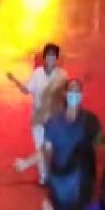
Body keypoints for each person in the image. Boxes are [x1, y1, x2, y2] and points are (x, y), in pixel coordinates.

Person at [15, 78, 105, 210]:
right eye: (71, 91)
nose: (74, 95)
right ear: (65, 95)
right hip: (60, 180)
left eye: (78, 91)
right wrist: (26, 163)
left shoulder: (90, 121)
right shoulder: (53, 124)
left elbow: (101, 144)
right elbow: (46, 150)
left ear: (82, 95)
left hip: (83, 179)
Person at [6, 42, 67, 185]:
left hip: (54, 118)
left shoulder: (62, 76)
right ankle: (44, 177)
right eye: (48, 56)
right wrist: (14, 80)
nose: (51, 59)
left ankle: (48, 173)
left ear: (57, 59)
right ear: (44, 57)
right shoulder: (37, 74)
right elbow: (27, 90)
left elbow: (66, 95)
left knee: (50, 148)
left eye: (53, 57)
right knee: (40, 147)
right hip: (38, 117)